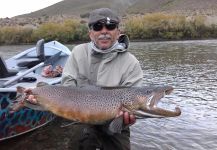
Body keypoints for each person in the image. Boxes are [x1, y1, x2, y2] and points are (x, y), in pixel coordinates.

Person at [61, 8, 143, 150]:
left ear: (118, 32)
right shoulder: (78, 52)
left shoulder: (131, 62)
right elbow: (67, 85)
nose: (104, 31)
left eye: (110, 26)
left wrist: (126, 119)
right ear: (91, 34)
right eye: (98, 27)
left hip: (115, 121)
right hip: (82, 119)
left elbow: (134, 101)